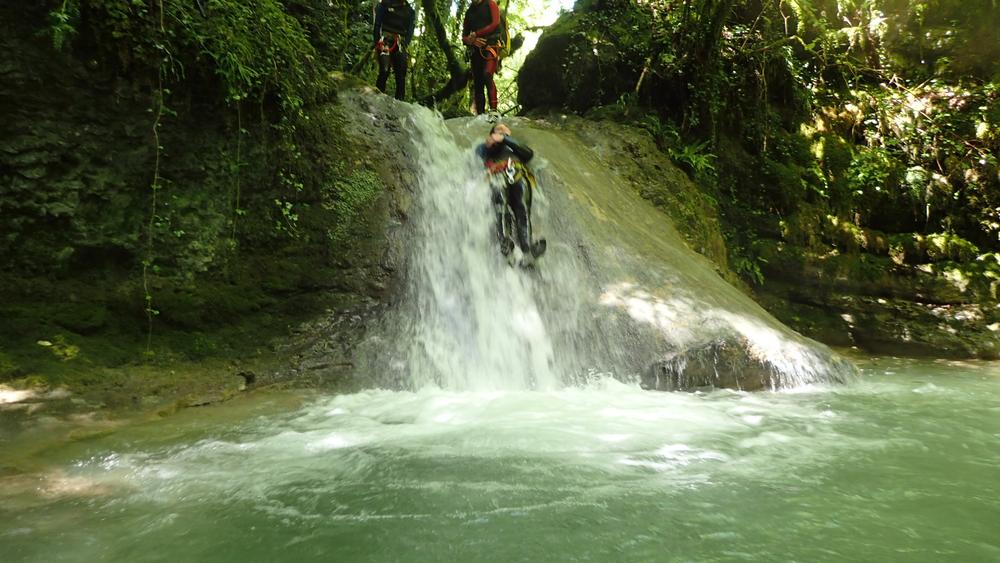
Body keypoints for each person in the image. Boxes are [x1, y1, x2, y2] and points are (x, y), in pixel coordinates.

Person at [476, 123, 547, 263]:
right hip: (497, 174)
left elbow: (528, 154)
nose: (501, 129)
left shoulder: (514, 145)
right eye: (498, 129)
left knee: (523, 209)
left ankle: (528, 247)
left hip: (518, 173)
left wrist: (504, 139)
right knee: (500, 206)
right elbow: (479, 155)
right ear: (492, 134)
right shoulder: (489, 145)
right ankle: (505, 241)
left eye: (504, 128)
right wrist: (489, 143)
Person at [462, 0, 503, 121]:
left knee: (487, 75)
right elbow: (464, 36)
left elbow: (495, 23)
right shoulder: (469, 12)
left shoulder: (490, 4)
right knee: (478, 82)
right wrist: (472, 40)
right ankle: (480, 115)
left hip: (491, 46)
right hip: (475, 50)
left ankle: (494, 111)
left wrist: (477, 34)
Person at [373, 0, 415, 101]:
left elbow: (410, 30)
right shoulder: (385, 4)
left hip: (400, 43)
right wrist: (377, 42)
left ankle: (399, 104)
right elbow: (377, 24)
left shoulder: (410, 11)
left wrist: (405, 44)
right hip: (385, 42)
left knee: (400, 75)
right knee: (384, 71)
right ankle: (376, 100)